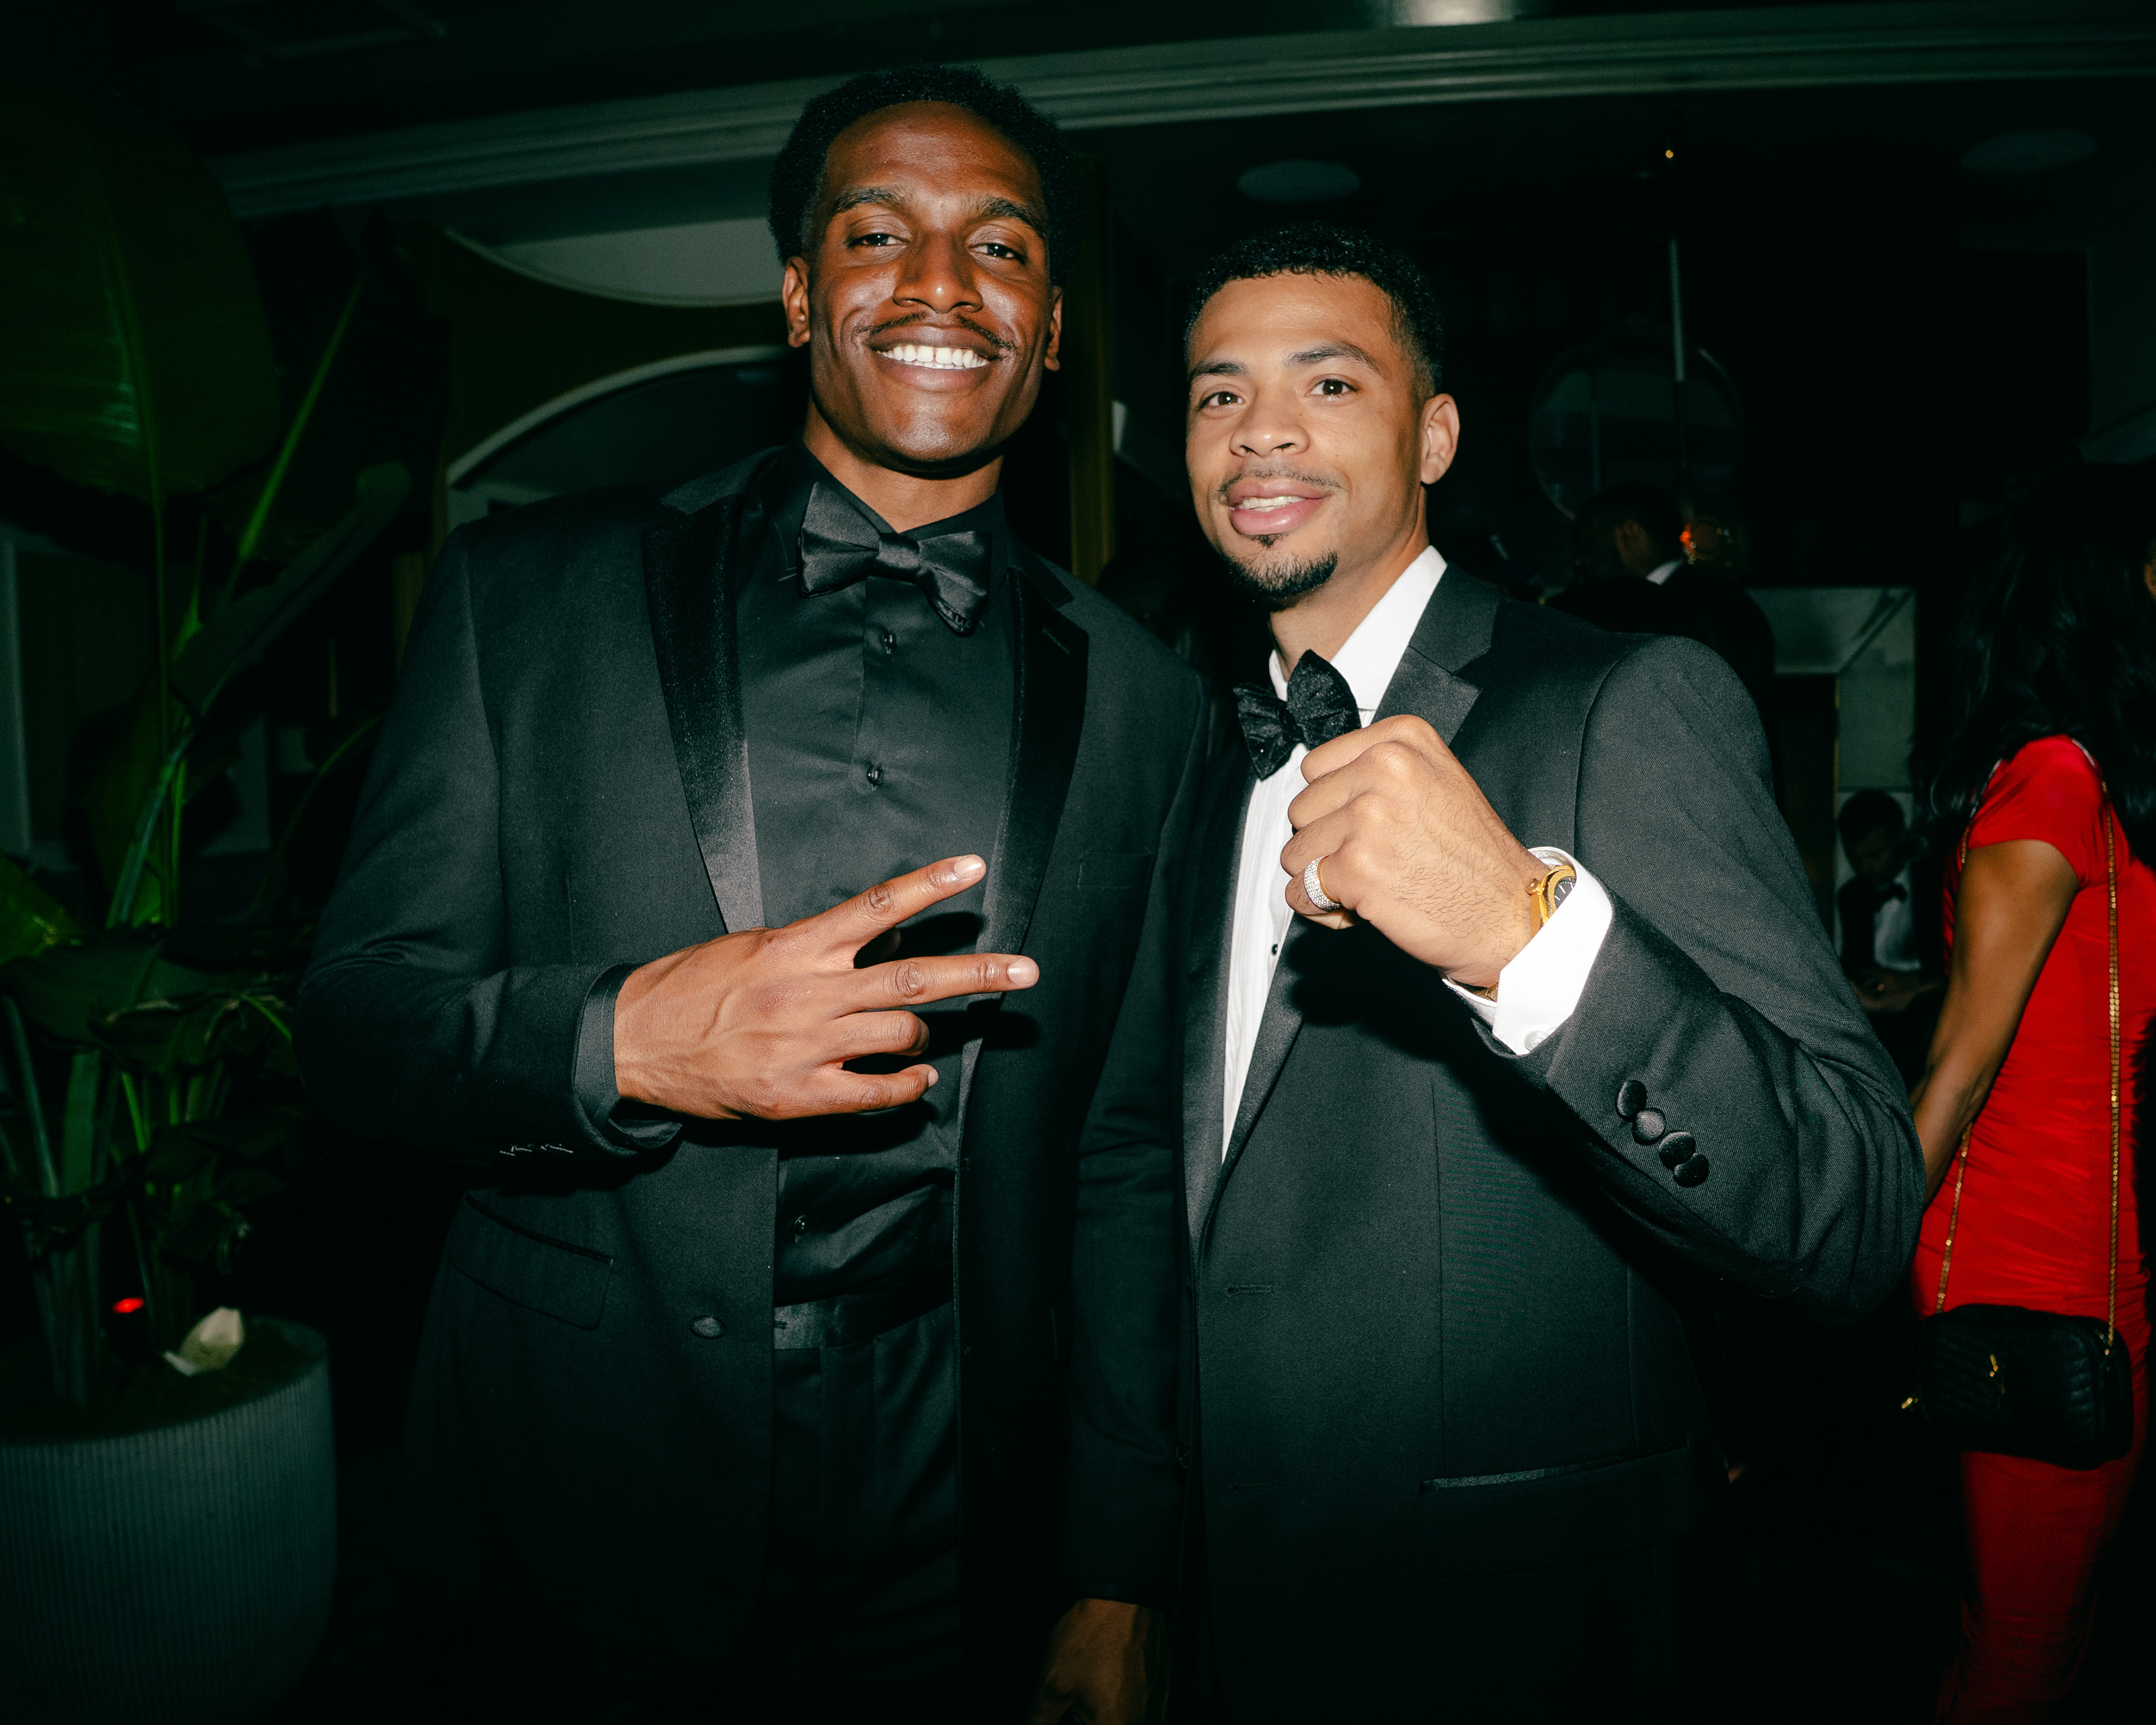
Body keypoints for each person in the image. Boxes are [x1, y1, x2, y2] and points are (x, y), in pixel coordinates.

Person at [295, 66, 1200, 1725]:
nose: (941, 284)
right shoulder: (523, 595)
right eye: (878, 234)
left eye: (1000, 247)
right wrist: (628, 1042)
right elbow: (355, 1024)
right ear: (797, 295)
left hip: (956, 1508)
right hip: (582, 1477)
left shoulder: (1150, 699)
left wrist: (1116, 1561)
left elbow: (1125, 1151)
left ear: (1054, 329)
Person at [1172, 223, 1923, 1720]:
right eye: (1217, 393)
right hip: (1219, 1604)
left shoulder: (1620, 699)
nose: (1260, 430)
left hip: (1520, 1615)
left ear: (1435, 435)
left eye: (1329, 384)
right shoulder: (1184, 759)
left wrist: (1529, 935)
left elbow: (1850, 1212)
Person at [1907, 461, 2155, 1723]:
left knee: (2048, 1633)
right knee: (2023, 1646)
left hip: (2099, 1255)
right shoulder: (2054, 775)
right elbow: (1960, 1060)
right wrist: (1846, 1255)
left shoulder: (2095, 780)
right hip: (2032, 1267)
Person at [1562, 479, 1779, 747]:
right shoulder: (1733, 603)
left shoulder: (1645, 614)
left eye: (1587, 540)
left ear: (1630, 532)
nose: (1578, 559)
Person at [1837, 788, 1942, 1081]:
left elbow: (1959, 966)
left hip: (1928, 1012)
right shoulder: (1851, 896)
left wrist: (1910, 981)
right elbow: (1855, 963)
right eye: (1855, 858)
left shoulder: (1934, 882)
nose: (1865, 867)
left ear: (1900, 837)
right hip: (1877, 1022)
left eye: (1875, 855)